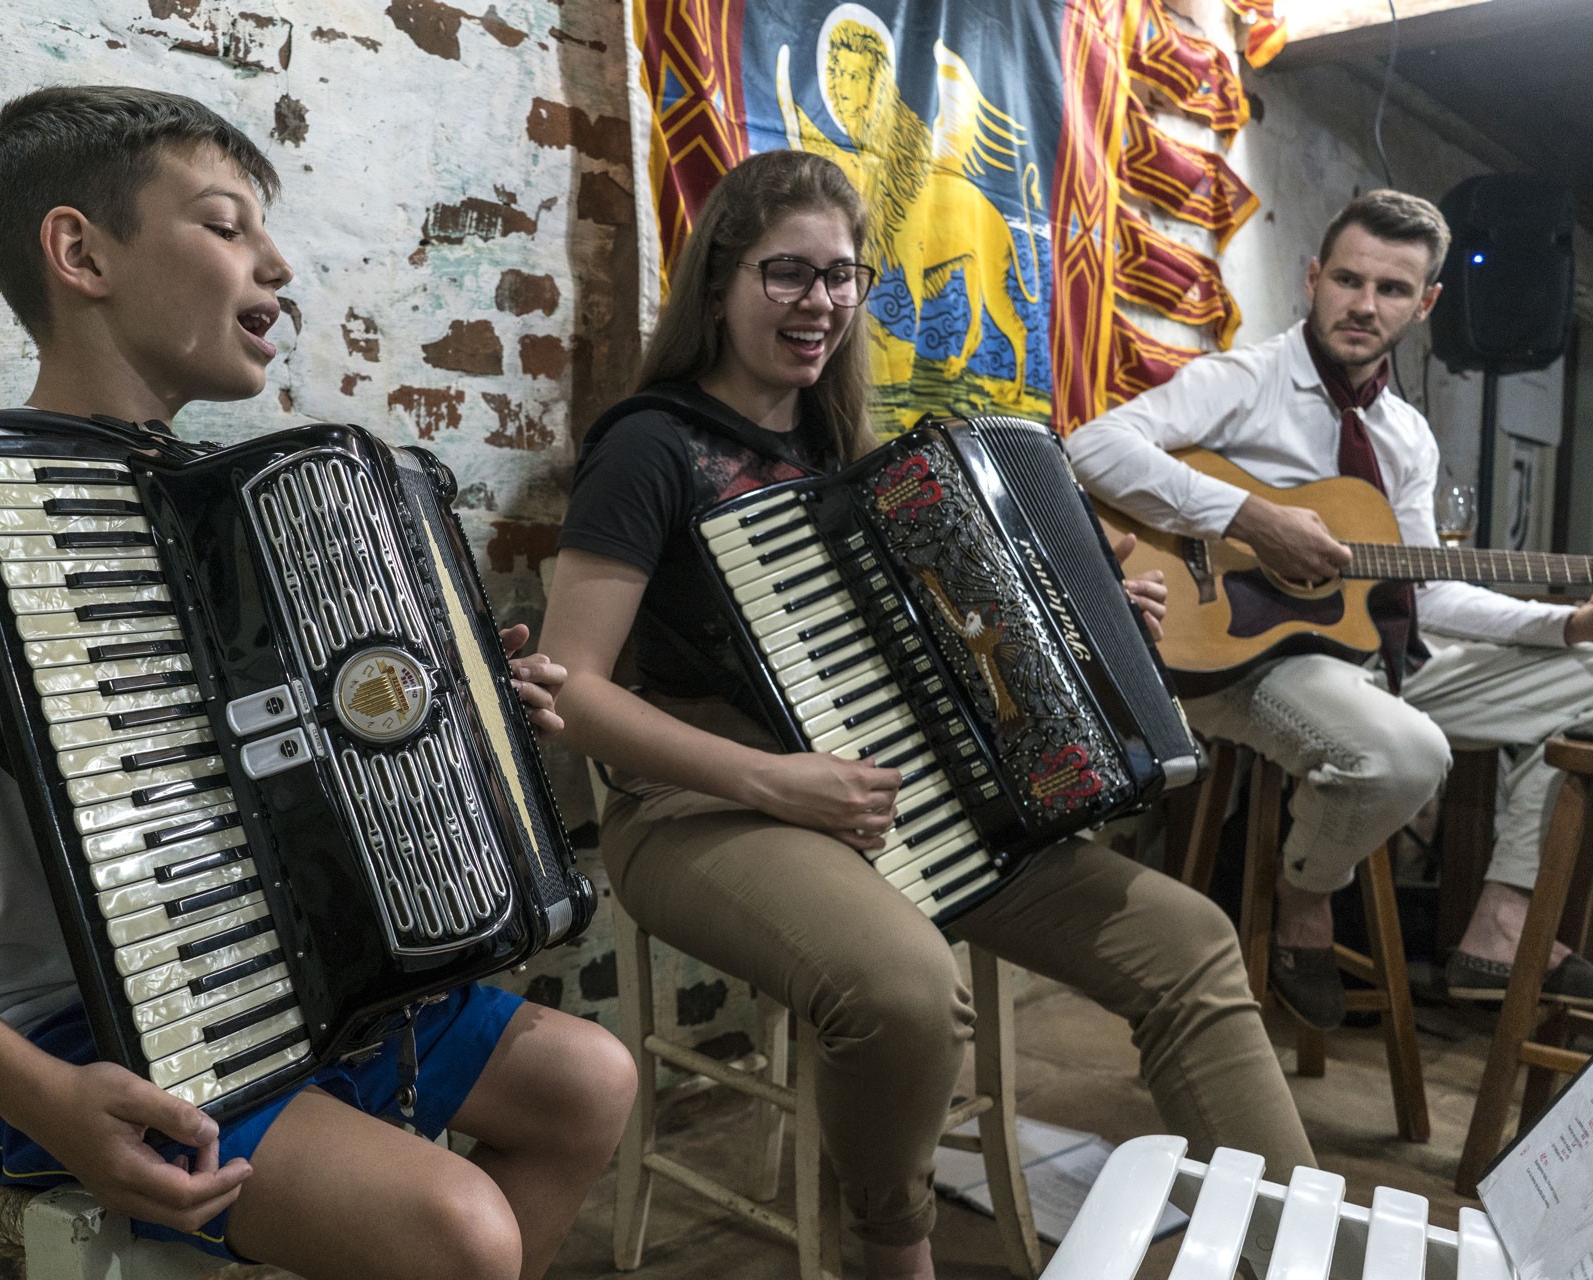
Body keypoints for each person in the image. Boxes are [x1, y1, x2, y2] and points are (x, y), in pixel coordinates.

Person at [0, 85, 634, 1280]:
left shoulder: (225, 512)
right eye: (225, 224)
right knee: (456, 1228)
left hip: (279, 995)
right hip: (57, 1041)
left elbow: (285, 778)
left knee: (590, 1079)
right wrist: (44, 1090)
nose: (278, 262)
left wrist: (462, 738)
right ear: (80, 252)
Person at [538, 148, 1315, 1280]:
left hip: (903, 797)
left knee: (1187, 940)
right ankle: (889, 1251)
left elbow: (948, 652)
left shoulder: (846, 449)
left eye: (842, 278)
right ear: (719, 283)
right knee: (908, 987)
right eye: (788, 274)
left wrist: (1090, 629)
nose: (820, 304)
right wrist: (771, 780)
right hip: (700, 805)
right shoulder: (649, 447)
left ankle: (1300, 1251)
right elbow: (570, 688)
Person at [1067, 188, 1593, 1031]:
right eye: (1347, 279)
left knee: (1591, 670)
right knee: (1407, 756)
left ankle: (1502, 922)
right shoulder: (1247, 380)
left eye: (1391, 290)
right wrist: (1247, 518)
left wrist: (1558, 624)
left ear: (1425, 305)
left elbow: (1420, 591)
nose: (1363, 304)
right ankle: (1303, 893)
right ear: (1313, 278)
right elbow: (1092, 446)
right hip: (1244, 657)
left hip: (1372, 663)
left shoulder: (1407, 437)